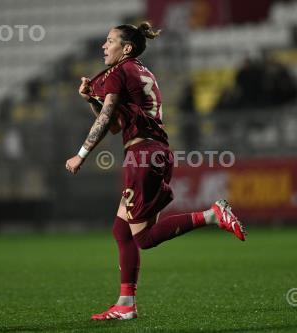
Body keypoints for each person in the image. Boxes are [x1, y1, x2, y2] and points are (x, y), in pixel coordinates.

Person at [65, 22, 246, 321]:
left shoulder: (119, 72)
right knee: (121, 230)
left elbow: (108, 119)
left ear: (126, 48)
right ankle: (125, 304)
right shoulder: (140, 71)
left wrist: (81, 154)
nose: (103, 46)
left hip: (142, 156)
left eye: (110, 41)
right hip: (155, 153)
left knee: (144, 239)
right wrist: (90, 100)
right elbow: (113, 124)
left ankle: (212, 214)